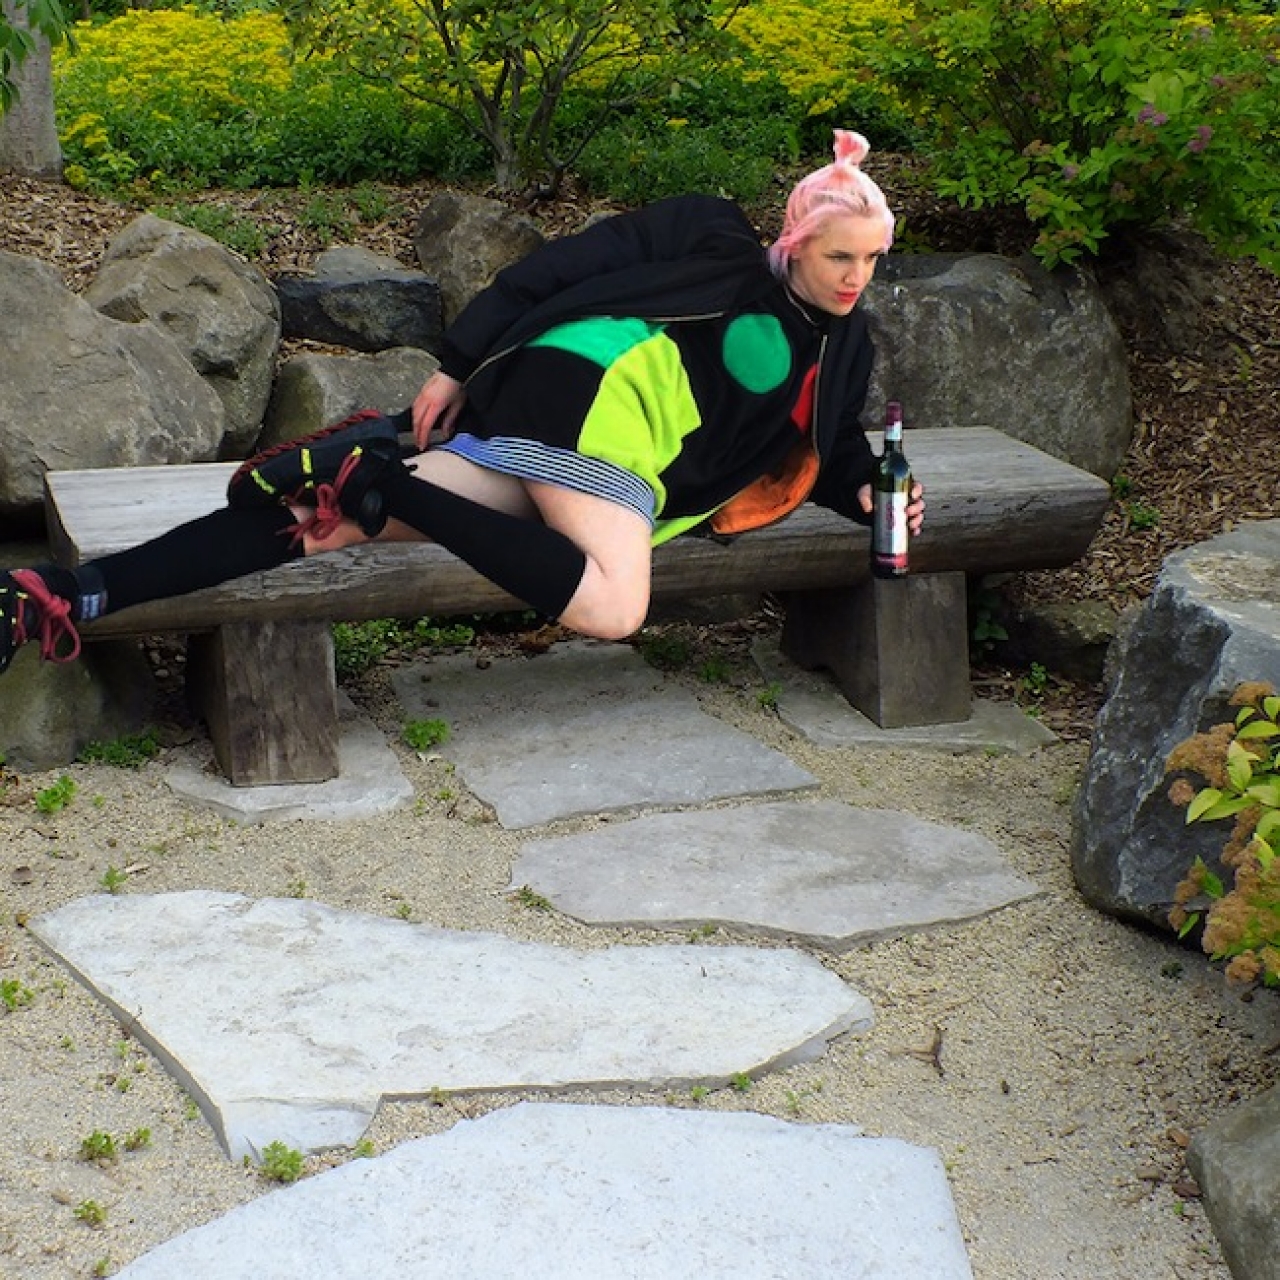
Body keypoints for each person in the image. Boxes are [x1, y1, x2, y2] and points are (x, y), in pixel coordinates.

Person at [0, 128, 924, 676]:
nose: (855, 277)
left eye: (871, 260)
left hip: (580, 443)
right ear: (794, 238)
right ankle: (387, 480)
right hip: (594, 403)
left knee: (323, 523)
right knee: (613, 606)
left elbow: (833, 447)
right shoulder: (709, 236)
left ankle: (67, 593)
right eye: (838, 256)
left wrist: (868, 493)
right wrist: (456, 362)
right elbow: (563, 266)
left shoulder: (848, 345)